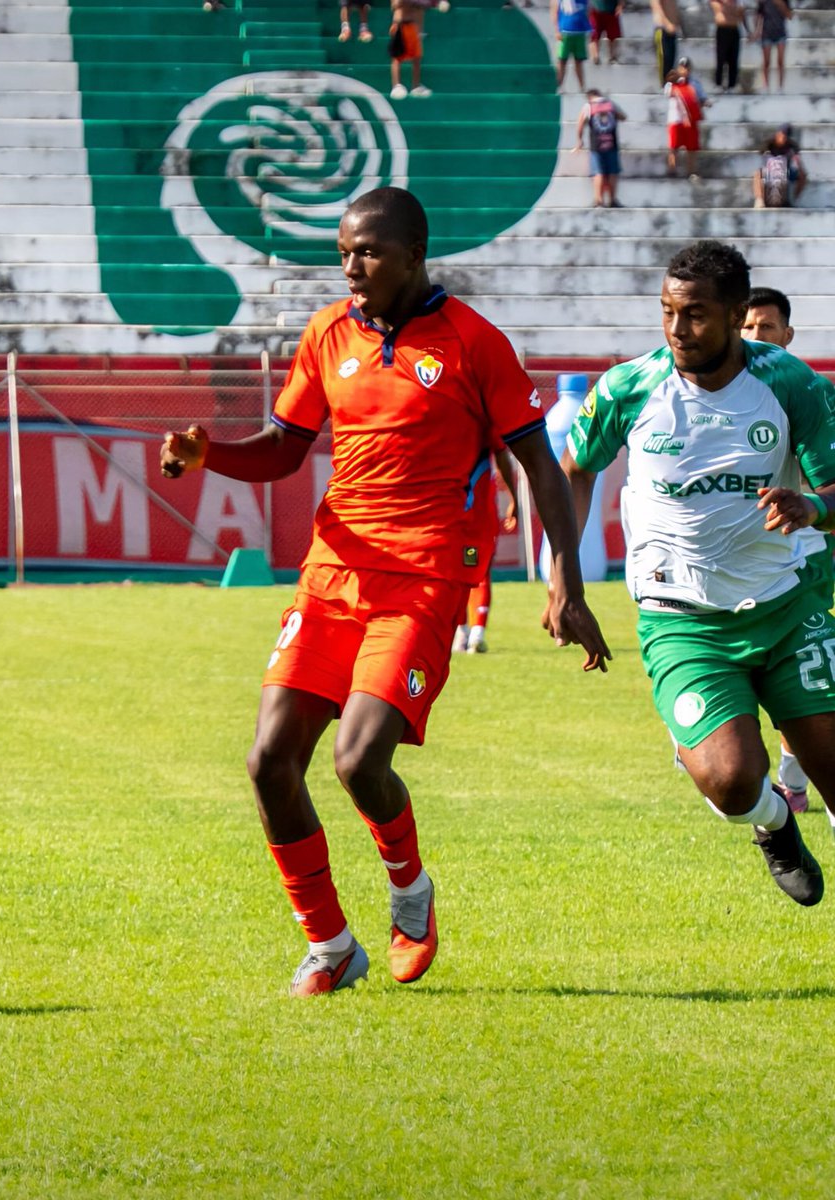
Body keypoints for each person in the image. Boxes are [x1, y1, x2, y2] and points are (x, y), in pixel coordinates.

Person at [160, 187, 611, 997]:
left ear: (412, 253)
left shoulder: (476, 342)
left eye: (366, 251)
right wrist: (210, 452)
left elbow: (542, 464)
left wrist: (565, 582)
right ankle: (331, 945)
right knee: (269, 762)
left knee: (359, 758)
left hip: (425, 576)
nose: (349, 265)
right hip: (332, 572)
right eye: (342, 251)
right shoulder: (327, 332)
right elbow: (285, 450)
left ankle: (410, 890)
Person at [552, 239, 835, 907]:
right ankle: (774, 824)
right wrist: (566, 580)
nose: (679, 329)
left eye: (697, 315)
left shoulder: (791, 385)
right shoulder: (630, 386)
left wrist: (812, 506)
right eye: (668, 312)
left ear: (737, 315)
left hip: (787, 608)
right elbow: (575, 469)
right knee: (734, 782)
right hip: (683, 622)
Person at [741, 286, 827, 823]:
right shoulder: (712, 393)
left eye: (766, 328)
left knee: (803, 680)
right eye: (746, 327)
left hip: (804, 552)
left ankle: (792, 782)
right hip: (728, 565)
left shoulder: (802, 392)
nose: (754, 337)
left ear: (787, 335)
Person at [452, 449, 519, 654]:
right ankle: (474, 635)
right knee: (476, 573)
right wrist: (513, 499)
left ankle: (463, 633)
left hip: (453, 520)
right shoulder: (482, 423)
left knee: (458, 575)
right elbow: (502, 456)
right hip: (476, 522)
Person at [573, 87, 627, 208]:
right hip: (612, 143)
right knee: (613, 172)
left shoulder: (588, 106)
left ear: (589, 96)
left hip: (596, 145)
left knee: (598, 172)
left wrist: (579, 140)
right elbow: (623, 117)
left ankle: (598, 200)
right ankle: (612, 200)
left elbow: (580, 124)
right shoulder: (611, 104)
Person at [752, 123, 807, 208]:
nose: (784, 139)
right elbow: (761, 156)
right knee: (757, 173)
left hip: (785, 172)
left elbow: (797, 162)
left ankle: (793, 200)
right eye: (782, 136)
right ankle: (759, 200)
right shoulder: (768, 144)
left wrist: (797, 162)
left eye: (786, 137)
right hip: (770, 171)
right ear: (778, 134)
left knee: (802, 175)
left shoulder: (791, 147)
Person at [664, 63, 703, 181]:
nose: (684, 70)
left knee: (691, 147)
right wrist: (675, 80)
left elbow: (701, 98)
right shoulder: (671, 84)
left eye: (686, 67)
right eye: (682, 67)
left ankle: (691, 171)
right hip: (675, 119)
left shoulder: (695, 84)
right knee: (674, 146)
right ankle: (672, 170)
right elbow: (668, 93)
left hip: (690, 120)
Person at [389, 0, 431, 98]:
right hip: (400, 25)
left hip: (413, 26)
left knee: (416, 57)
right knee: (397, 57)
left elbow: (424, 5)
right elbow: (396, 4)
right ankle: (396, 86)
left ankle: (415, 86)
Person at [551, 0, 591, 92]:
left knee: (579, 61)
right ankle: (559, 86)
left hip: (580, 33)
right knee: (562, 60)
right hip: (565, 32)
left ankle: (582, 87)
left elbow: (588, 12)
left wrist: (587, 29)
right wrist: (557, 30)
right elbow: (554, 12)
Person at [709, 0, 748, 92]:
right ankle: (718, 83)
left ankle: (732, 84)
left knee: (733, 58)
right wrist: (732, 8)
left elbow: (741, 13)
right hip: (723, 30)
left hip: (734, 30)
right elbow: (723, 10)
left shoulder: (738, 2)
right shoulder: (717, 2)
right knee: (721, 57)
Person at [754, 0, 791, 91]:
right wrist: (757, 31)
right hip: (766, 33)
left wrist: (781, 5)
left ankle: (781, 86)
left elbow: (789, 16)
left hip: (781, 33)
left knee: (780, 61)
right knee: (766, 61)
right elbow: (758, 15)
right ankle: (766, 86)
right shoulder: (763, 2)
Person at [651, 0, 681, 87]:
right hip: (662, 29)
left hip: (672, 30)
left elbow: (674, 9)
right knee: (664, 58)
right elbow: (657, 7)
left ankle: (670, 83)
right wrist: (667, 23)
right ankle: (664, 84)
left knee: (672, 59)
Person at [588, 0, 623, 65]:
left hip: (612, 11)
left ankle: (612, 57)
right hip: (595, 10)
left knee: (613, 35)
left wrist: (620, 5)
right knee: (594, 35)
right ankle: (595, 57)